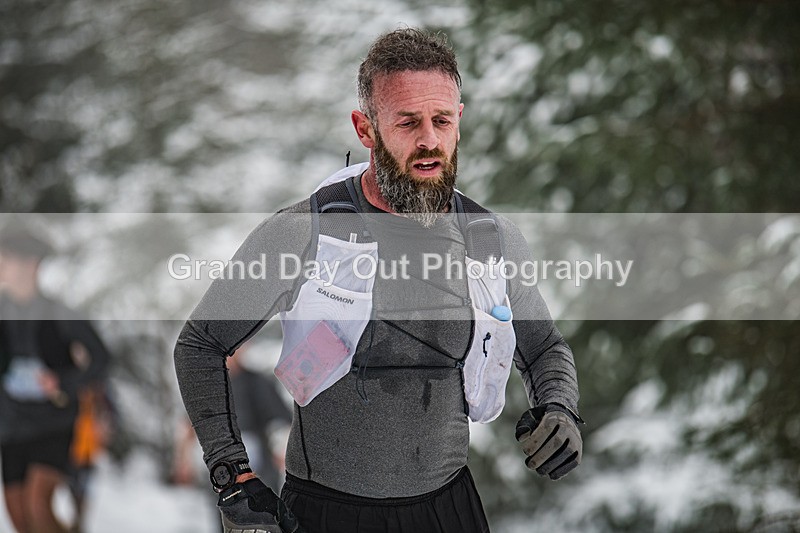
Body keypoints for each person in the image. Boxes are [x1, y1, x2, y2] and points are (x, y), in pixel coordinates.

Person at [174, 28, 583, 533]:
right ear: (365, 129)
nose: (429, 139)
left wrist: (560, 406)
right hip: (325, 513)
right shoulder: (304, 233)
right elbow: (200, 344)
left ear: (460, 121)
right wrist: (231, 475)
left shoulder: (490, 241)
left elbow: (544, 347)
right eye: (408, 122)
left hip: (449, 511)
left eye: (442, 120)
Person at [0, 226, 111, 533]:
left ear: (30, 264)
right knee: (20, 518)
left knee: (39, 504)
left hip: (54, 423)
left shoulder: (60, 313)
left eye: (5, 258)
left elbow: (101, 359)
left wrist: (62, 383)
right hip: (11, 427)